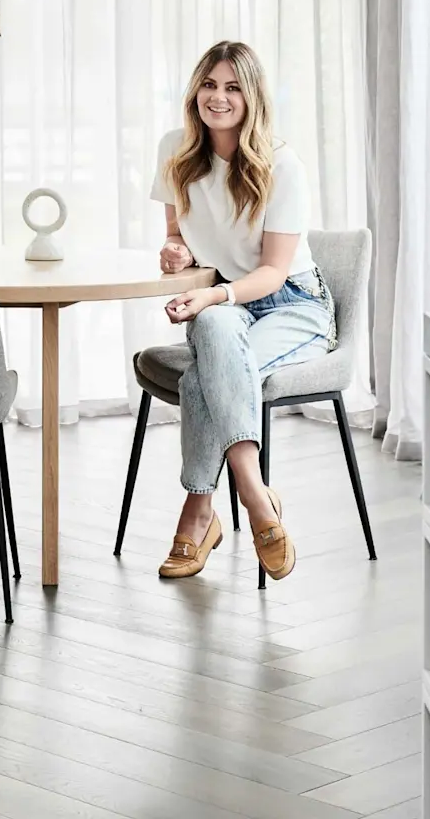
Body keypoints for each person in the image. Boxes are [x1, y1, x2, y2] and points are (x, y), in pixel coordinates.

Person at [150, 40, 336, 582]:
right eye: (209, 85)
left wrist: (213, 295)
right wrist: (176, 250)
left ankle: (202, 510)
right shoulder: (175, 149)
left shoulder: (281, 163)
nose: (219, 97)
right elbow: (175, 231)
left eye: (233, 87)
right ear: (195, 91)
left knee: (203, 374)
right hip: (228, 308)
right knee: (213, 330)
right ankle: (257, 496)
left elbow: (274, 272)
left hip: (292, 303)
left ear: (252, 96)